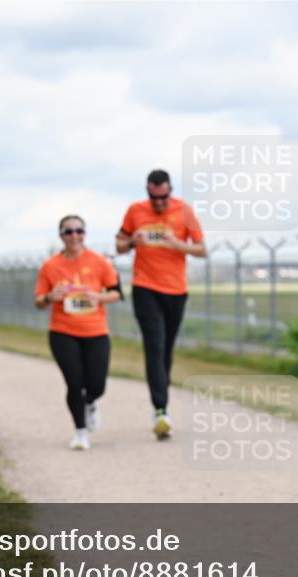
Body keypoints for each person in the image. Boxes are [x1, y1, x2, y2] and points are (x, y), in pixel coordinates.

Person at [115, 169, 206, 439]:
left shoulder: (184, 211)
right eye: (154, 198)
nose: (159, 203)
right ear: (148, 192)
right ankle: (160, 409)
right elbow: (119, 244)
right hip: (145, 287)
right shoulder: (135, 211)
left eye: (163, 197)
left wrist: (178, 244)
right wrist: (133, 241)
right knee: (154, 346)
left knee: (165, 350)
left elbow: (202, 249)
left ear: (170, 191)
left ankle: (161, 396)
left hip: (176, 289)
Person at [35, 215, 121, 451]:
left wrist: (99, 297)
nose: (74, 236)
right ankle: (80, 432)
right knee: (74, 383)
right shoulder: (50, 266)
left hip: (95, 331)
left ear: (85, 233)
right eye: (69, 232)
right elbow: (39, 302)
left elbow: (116, 293)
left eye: (79, 231)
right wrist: (51, 297)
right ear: (61, 235)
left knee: (96, 384)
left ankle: (91, 402)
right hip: (63, 331)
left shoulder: (99, 262)